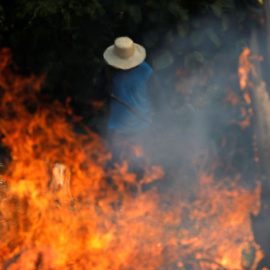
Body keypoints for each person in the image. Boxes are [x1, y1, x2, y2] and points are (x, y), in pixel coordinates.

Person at [93, 36, 167, 166]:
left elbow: (159, 100)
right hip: (116, 130)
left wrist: (161, 124)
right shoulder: (109, 70)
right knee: (115, 170)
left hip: (142, 130)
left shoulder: (146, 72)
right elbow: (98, 97)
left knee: (139, 170)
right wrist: (108, 79)